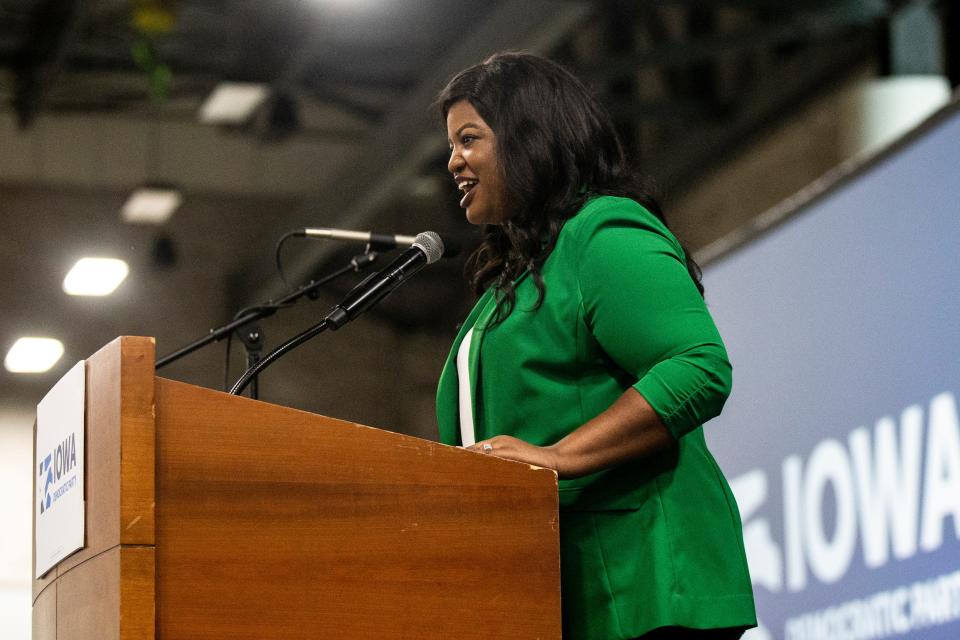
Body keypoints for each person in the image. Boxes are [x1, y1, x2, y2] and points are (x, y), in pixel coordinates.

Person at [434, 52, 756, 639]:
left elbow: (696, 366)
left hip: (645, 585)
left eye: (469, 139)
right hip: (563, 594)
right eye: (452, 144)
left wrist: (558, 458)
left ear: (528, 135)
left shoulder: (601, 231)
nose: (452, 161)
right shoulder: (515, 280)